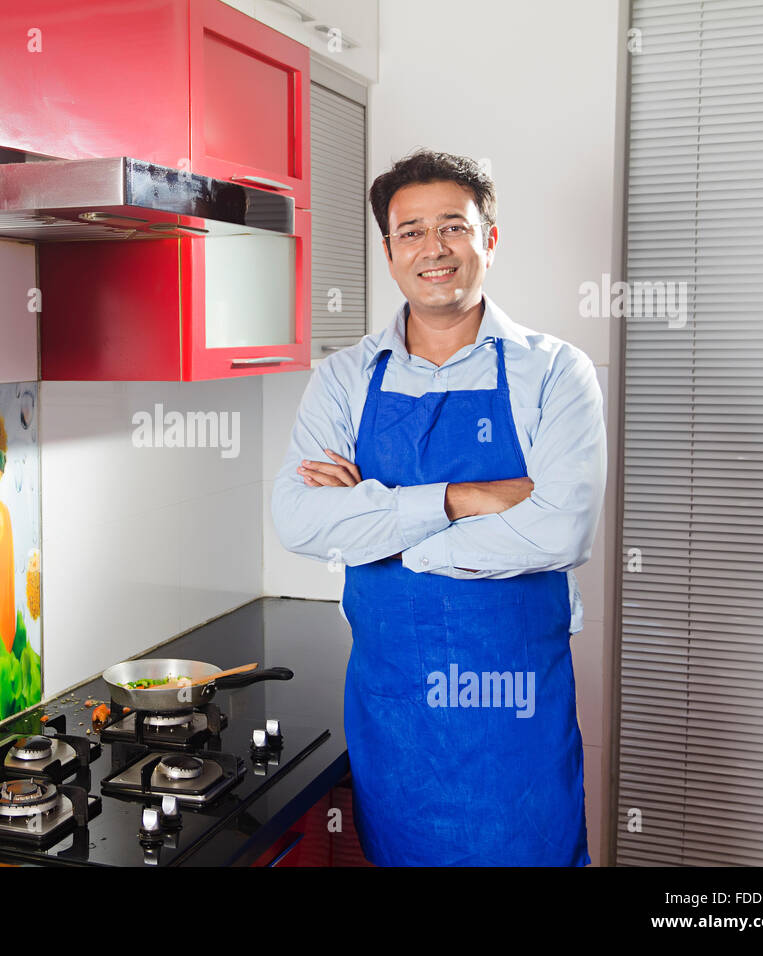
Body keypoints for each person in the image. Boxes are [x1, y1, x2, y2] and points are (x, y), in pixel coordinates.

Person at [271, 148, 605, 866]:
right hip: (396, 719)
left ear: (489, 237)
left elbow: (560, 530)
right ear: (389, 251)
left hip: (514, 726)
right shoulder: (343, 379)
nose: (434, 249)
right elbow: (299, 520)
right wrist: (465, 499)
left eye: (453, 226)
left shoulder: (555, 372)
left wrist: (392, 535)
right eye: (411, 231)